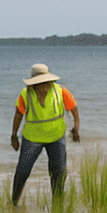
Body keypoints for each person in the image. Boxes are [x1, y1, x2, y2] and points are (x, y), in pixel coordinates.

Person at [10, 63, 81, 205]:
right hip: (32, 139)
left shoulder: (61, 91)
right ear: (33, 85)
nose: (44, 87)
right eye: (40, 84)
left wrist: (76, 128)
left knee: (59, 171)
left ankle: (58, 204)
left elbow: (73, 108)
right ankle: (14, 202)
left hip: (56, 137)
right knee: (23, 171)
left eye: (47, 83)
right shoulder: (26, 94)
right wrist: (14, 136)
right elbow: (18, 114)